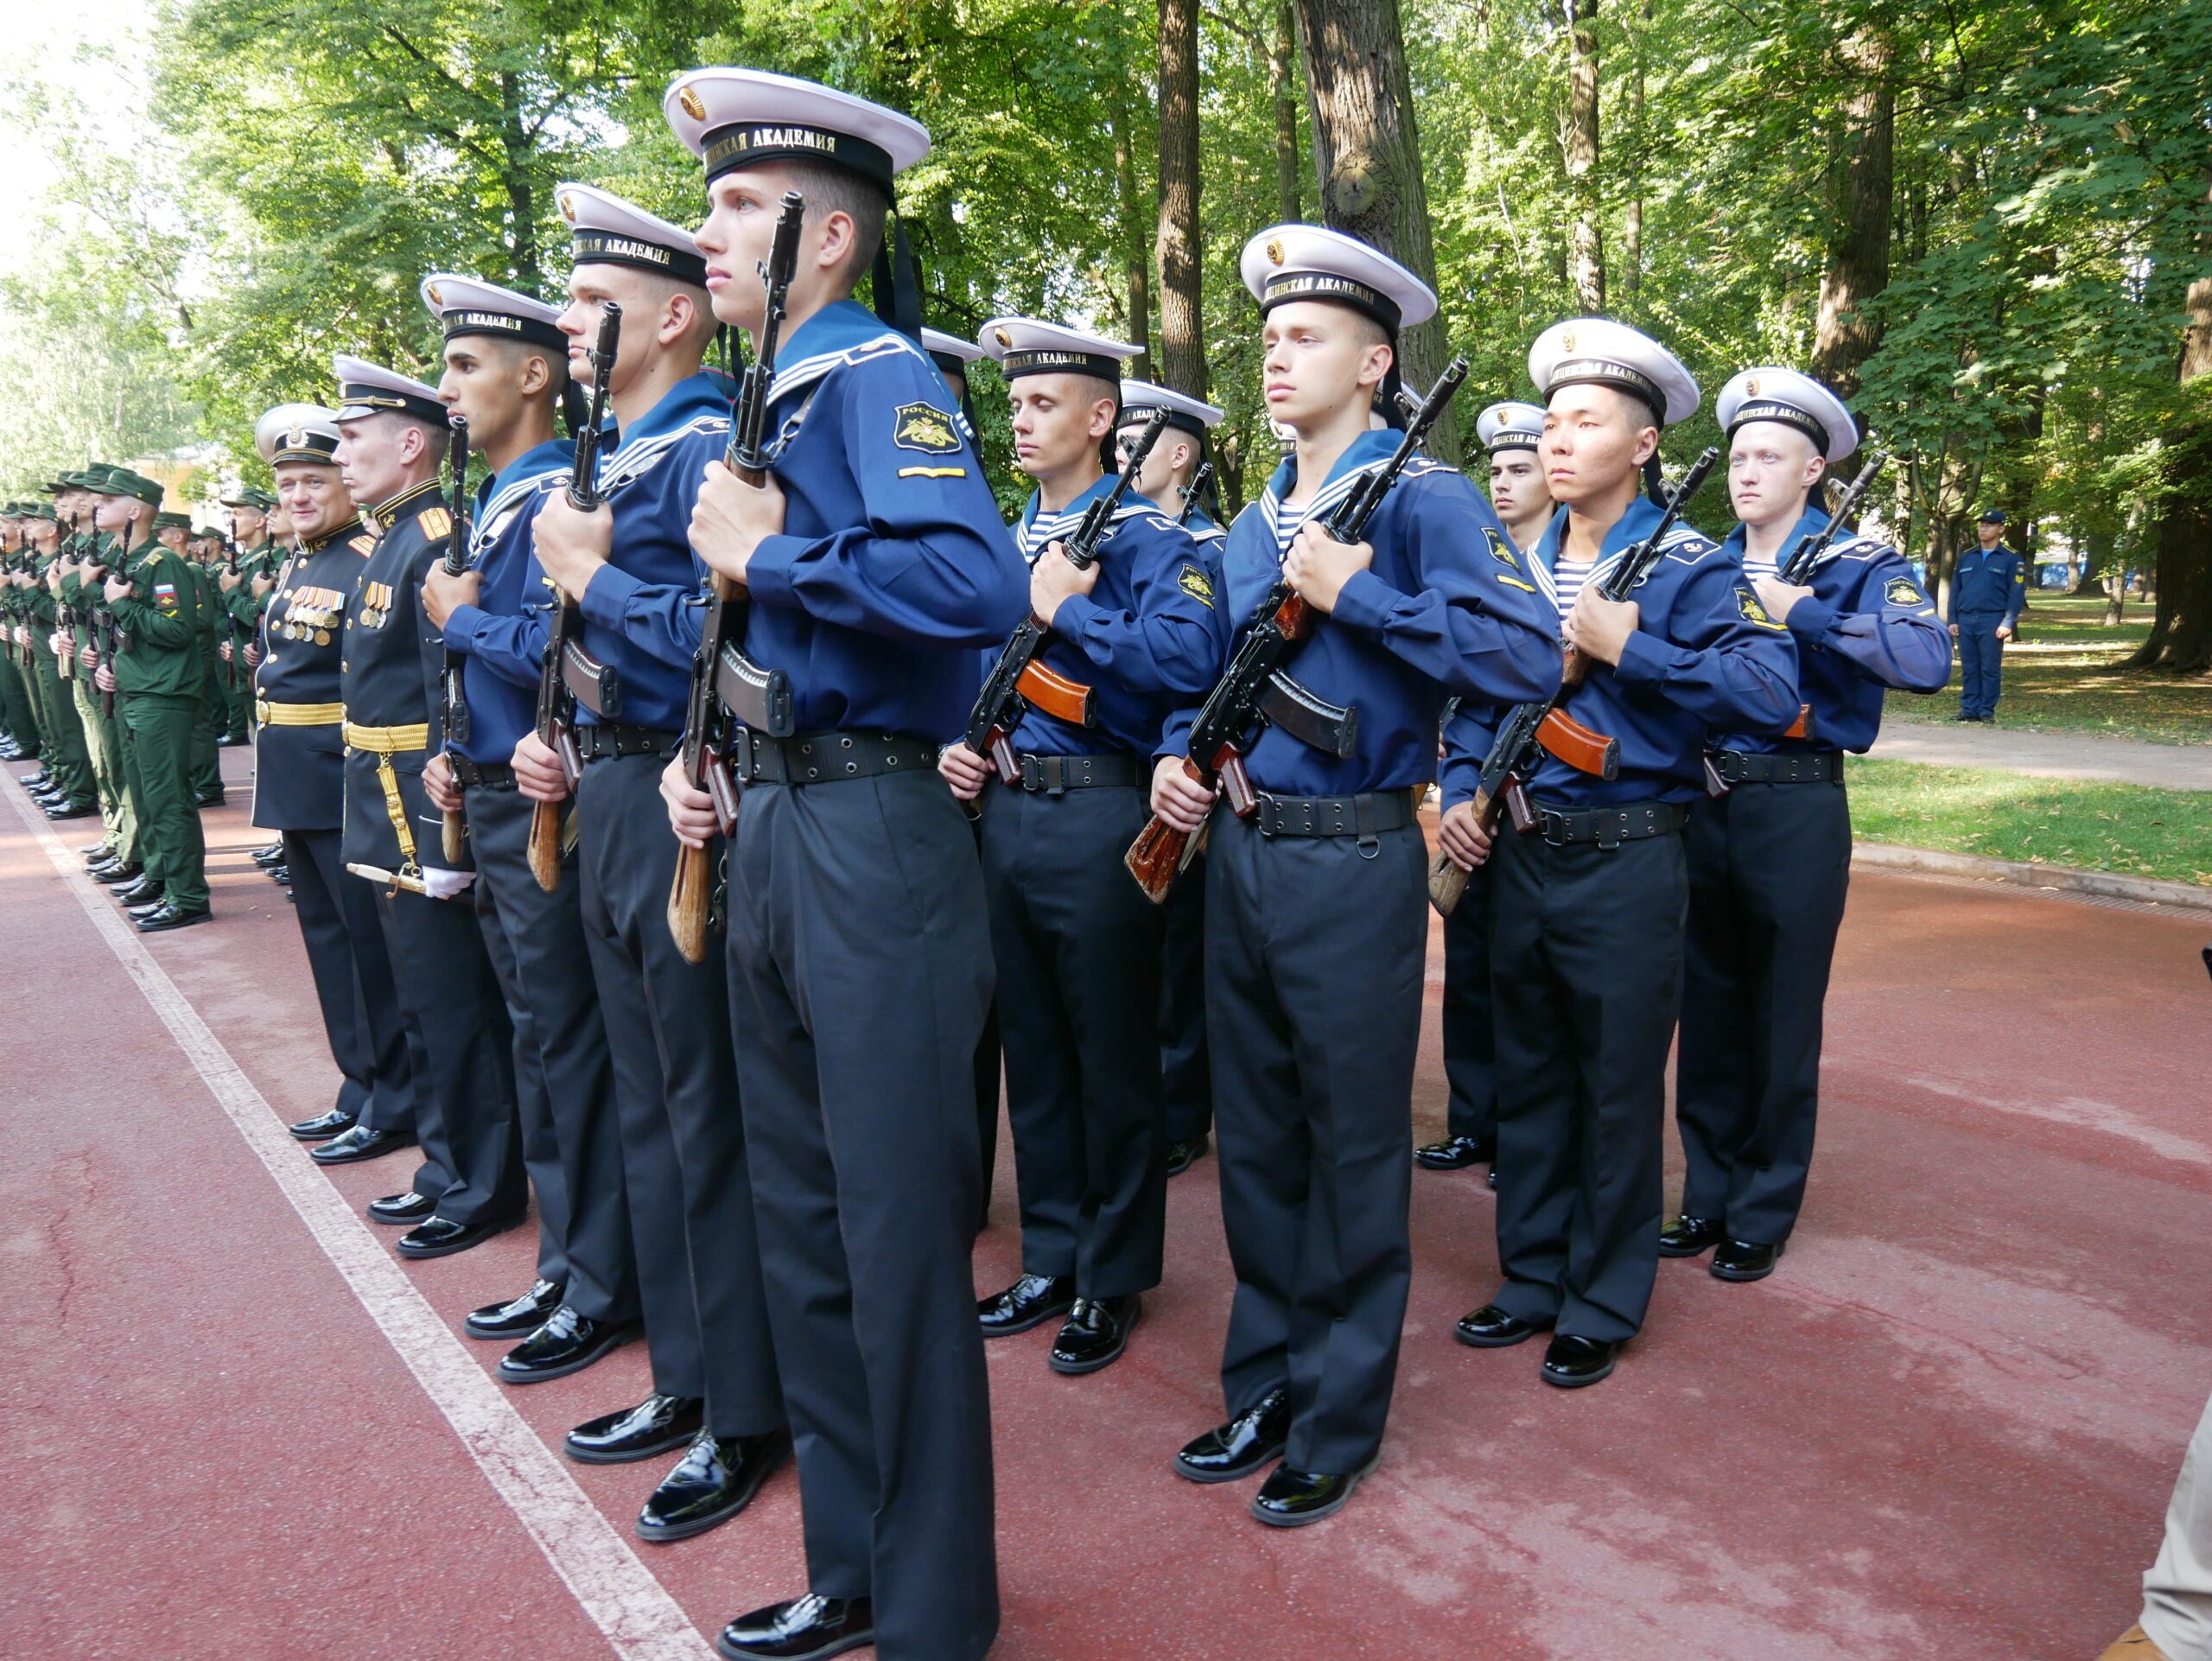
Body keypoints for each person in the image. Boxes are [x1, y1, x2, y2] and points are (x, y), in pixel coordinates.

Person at [660, 64, 1027, 1661]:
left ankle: (938, 1612)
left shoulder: (877, 379)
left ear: (823, 233)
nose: (709, 230)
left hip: (877, 834)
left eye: (738, 207)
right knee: (801, 1228)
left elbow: (976, 580)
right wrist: (704, 748)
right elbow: (759, 624)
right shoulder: (776, 398)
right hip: (776, 823)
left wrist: (774, 553)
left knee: (889, 1238)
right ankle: (851, 1565)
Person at [1150, 224, 1558, 1525]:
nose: (1276, 355)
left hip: (1354, 857)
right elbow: (1204, 678)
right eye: (1266, 336)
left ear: (1377, 362)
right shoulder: (1247, 518)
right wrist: (1178, 759)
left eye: (1307, 336)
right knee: (1260, 1145)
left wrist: (1361, 592)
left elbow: (1531, 658)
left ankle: (1339, 1409)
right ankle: (1265, 1378)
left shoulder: (1425, 499)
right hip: (1244, 855)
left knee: (1351, 1147)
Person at [1442, 318, 1798, 1389]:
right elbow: (1469, 698)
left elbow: (1771, 693)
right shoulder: (1507, 561)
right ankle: (1532, 1272)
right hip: (1516, 850)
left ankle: (1601, 1294)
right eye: (1550, 421)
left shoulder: (1688, 567)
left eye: (1585, 422)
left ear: (1643, 445)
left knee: (1612, 1082)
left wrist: (1626, 649)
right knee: (1530, 1071)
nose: (1557, 440)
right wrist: (1461, 788)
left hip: (1628, 856)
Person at [515, 181, 791, 1546]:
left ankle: (743, 1404)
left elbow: (709, 632)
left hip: (683, 799)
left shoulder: (700, 449)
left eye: (590, 298)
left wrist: (587, 592)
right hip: (607, 792)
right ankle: (689, 1374)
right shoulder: (609, 459)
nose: (569, 319)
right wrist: (545, 734)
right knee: (646, 1107)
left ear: (676, 316)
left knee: (706, 1117)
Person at [945, 321, 1229, 1378]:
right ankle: (1050, 1252)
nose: (1020, 421)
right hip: (1007, 814)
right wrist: (958, 744)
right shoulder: (999, 539)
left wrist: (1074, 614)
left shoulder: (1149, 541)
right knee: (1036, 1049)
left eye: (1043, 403)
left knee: (1112, 1054)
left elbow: (1187, 658)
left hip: (1101, 812)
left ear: (1101, 418)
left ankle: (1112, 1276)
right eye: (1014, 405)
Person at [1663, 367, 1949, 1282]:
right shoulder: (1698, 563)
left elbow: (1923, 658)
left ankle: (1761, 1205)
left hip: (1794, 799)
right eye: (1739, 455)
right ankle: (1705, 1191)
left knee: (1781, 1009)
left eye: (1769, 456)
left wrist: (1808, 614)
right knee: (1705, 1009)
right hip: (1700, 798)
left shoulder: (1857, 566)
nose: (1747, 472)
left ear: (1813, 469)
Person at [417, 270, 642, 1384]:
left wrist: (464, 628)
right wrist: (459, 750)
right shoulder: (501, 493)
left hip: (552, 797)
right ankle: (570, 1256)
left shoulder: (555, 490)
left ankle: (602, 1276)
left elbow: (565, 656)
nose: (447, 387)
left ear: (535, 375)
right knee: (537, 1036)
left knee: (569, 1040)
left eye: (466, 366)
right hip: (502, 789)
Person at [330, 354, 529, 1259]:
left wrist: (445, 824)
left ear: (410, 445)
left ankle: (484, 1180)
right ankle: (449, 1164)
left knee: (455, 1006)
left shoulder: (435, 533)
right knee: (424, 1002)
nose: (341, 455)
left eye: (352, 436)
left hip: (425, 807)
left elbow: (444, 682)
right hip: (388, 803)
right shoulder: (396, 534)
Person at [248, 405, 424, 1171]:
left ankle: (394, 1097)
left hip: (342, 772)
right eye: (287, 483)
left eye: (314, 479)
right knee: (329, 944)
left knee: (366, 950)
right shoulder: (301, 559)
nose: (298, 495)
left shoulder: (362, 559)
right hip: (297, 774)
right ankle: (359, 1084)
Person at [1417, 398, 1554, 1183]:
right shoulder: (1478, 562)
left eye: (1519, 468)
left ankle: (1524, 1131)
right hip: (1476, 789)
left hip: (1545, 802)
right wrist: (1461, 791)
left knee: (1528, 976)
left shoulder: (1566, 568)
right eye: (1495, 470)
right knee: (1469, 963)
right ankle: (1474, 1118)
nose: (1501, 483)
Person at [1113, 377, 1229, 1181]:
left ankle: (1184, 1110)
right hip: (1121, 766)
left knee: (1182, 946)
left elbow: (1210, 668)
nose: (1120, 450)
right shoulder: (1116, 537)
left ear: (1179, 454)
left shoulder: (1214, 548)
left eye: (1135, 439)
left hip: (1191, 765)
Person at [88, 468, 212, 931]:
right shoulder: (129, 560)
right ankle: (161, 876)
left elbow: (179, 630)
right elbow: (128, 631)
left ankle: (188, 895)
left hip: (163, 695)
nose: (99, 505)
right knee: (144, 794)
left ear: (135, 510)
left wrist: (122, 604)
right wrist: (108, 661)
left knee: (167, 797)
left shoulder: (163, 564)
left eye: (110, 499)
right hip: (136, 690)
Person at [1948, 507, 2024, 722]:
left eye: (1989, 525)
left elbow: (2016, 593)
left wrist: (2008, 622)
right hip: (1966, 619)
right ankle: (1968, 709)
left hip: (1992, 619)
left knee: (1989, 668)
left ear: (2001, 529)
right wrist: (1953, 619)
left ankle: (1986, 711)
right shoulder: (1967, 557)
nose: (1983, 528)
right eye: (1981, 524)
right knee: (1969, 668)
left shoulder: (2010, 559)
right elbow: (1955, 590)